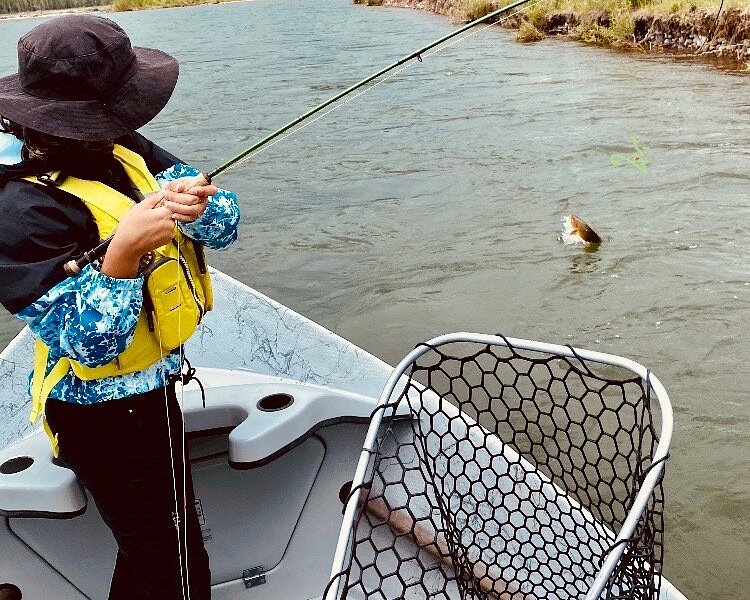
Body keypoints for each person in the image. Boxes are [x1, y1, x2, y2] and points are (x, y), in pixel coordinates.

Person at [0, 14, 241, 600]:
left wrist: (199, 204)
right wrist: (125, 252)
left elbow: (227, 224)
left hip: (154, 393)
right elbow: (91, 346)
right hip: (103, 420)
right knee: (179, 572)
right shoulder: (20, 211)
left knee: (156, 548)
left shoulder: (120, 144)